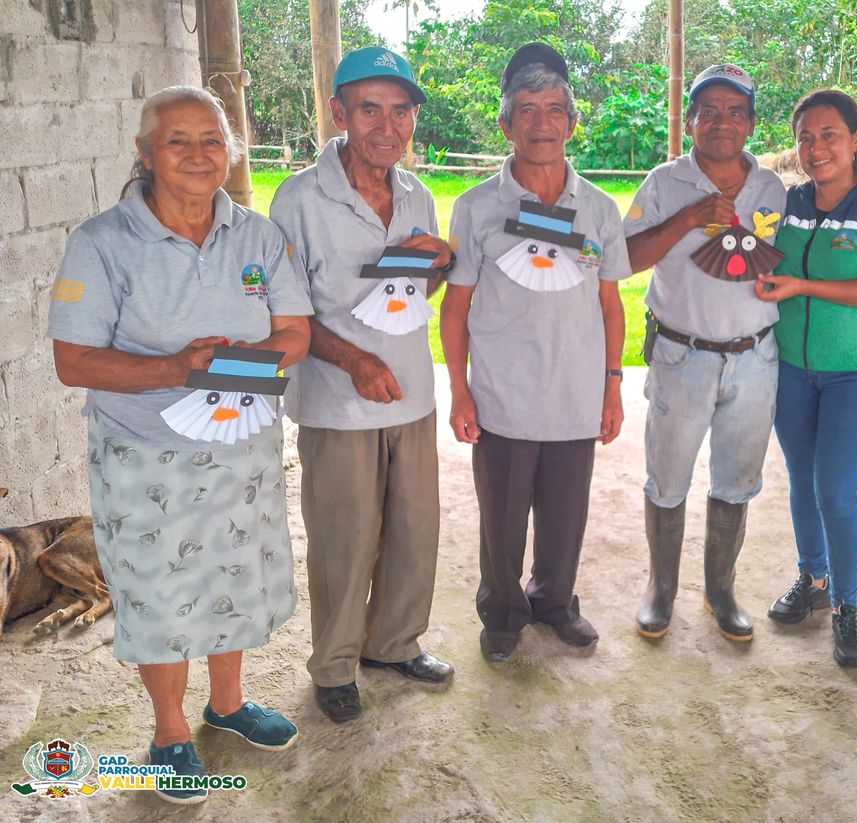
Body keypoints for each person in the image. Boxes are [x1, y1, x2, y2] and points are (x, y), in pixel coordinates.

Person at [47, 86, 313, 805]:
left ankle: (227, 703)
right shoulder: (103, 243)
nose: (198, 155)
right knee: (159, 591)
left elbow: (294, 331)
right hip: (145, 453)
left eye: (212, 140)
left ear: (230, 152)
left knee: (233, 575)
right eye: (178, 140)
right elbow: (73, 361)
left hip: (241, 447)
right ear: (145, 153)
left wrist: (245, 363)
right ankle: (170, 731)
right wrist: (175, 369)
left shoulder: (257, 237)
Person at [270, 47, 455, 723]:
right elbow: (285, 312)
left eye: (401, 111)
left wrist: (441, 263)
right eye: (370, 109)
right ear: (339, 112)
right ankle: (335, 665)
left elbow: (412, 295)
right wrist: (353, 360)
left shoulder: (417, 195)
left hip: (411, 393)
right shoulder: (299, 199)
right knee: (344, 540)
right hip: (337, 404)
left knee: (414, 530)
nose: (387, 126)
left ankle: (394, 643)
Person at [441, 43, 630, 663]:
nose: (541, 123)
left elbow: (611, 305)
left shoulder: (599, 209)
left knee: (566, 515)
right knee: (501, 517)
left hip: (576, 394)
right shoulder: (477, 208)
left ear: (572, 123)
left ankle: (554, 603)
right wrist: (460, 391)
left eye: (553, 110)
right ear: (506, 124)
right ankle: (502, 612)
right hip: (503, 396)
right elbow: (456, 307)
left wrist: (612, 386)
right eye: (526, 110)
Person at [623, 64, 787, 643]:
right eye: (709, 111)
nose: (722, 122)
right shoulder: (664, 183)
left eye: (735, 112)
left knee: (737, 479)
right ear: (690, 120)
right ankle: (661, 588)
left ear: (751, 124)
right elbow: (625, 258)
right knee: (667, 478)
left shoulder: (773, 188)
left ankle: (720, 590)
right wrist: (689, 217)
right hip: (682, 355)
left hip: (755, 358)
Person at [757, 90, 857, 667]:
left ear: (856, 137)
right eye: (805, 137)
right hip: (791, 373)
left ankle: (848, 606)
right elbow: (757, 257)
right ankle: (814, 580)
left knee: (836, 491)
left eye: (828, 134)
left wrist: (804, 287)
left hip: (855, 375)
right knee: (803, 483)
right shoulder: (789, 203)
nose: (815, 148)